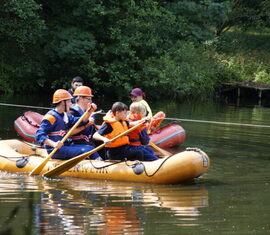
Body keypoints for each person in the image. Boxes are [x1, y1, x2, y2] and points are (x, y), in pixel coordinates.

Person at [36, 89, 101, 160]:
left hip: (65, 146)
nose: (71, 104)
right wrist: (54, 144)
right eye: (69, 101)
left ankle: (99, 163)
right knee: (87, 150)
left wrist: (89, 111)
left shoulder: (66, 115)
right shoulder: (51, 117)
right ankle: (99, 166)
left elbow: (80, 121)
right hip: (55, 150)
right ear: (63, 103)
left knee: (90, 148)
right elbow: (39, 135)